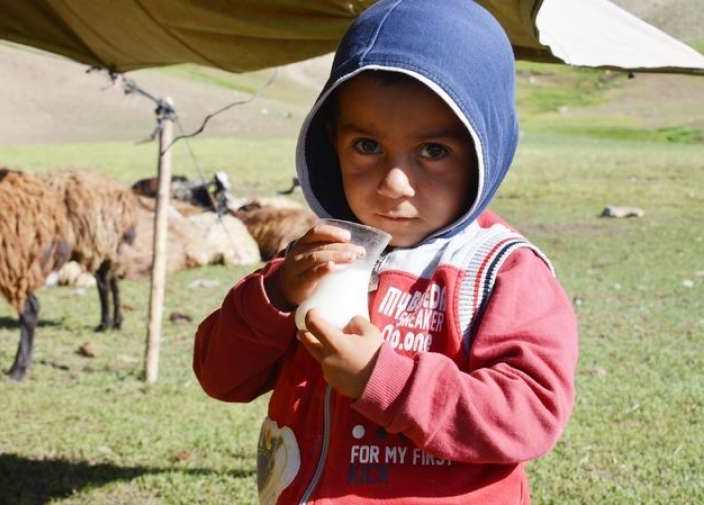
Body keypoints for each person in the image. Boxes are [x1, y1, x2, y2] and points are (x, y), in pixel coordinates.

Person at [194, 0, 578, 503]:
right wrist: (277, 293)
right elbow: (221, 377)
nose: (395, 184)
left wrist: (385, 379)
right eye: (367, 146)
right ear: (333, 141)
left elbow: (530, 414)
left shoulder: (498, 271)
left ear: (486, 148)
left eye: (434, 151)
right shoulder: (318, 257)